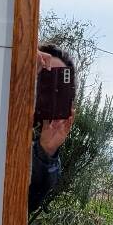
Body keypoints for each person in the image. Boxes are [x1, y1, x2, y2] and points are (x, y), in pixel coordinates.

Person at [28, 43, 75, 214]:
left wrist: (46, 151)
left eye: (57, 83)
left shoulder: (39, 142)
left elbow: (25, 205)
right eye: (45, 77)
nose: (48, 89)